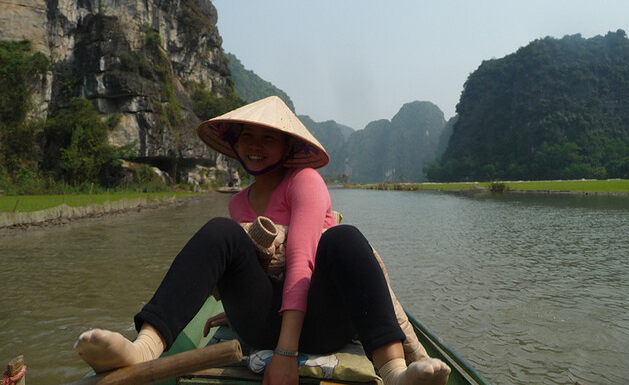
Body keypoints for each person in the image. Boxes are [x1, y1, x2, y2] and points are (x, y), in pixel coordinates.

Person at [75, 96, 450, 385]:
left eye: (268, 137)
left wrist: (286, 352)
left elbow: (301, 261)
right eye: (247, 137)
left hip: (322, 324)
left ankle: (395, 371)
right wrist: (236, 305)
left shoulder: (304, 182)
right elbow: (251, 267)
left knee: (344, 238)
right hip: (263, 323)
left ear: (287, 147)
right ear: (235, 145)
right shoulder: (237, 202)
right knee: (220, 232)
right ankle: (144, 348)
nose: (256, 145)